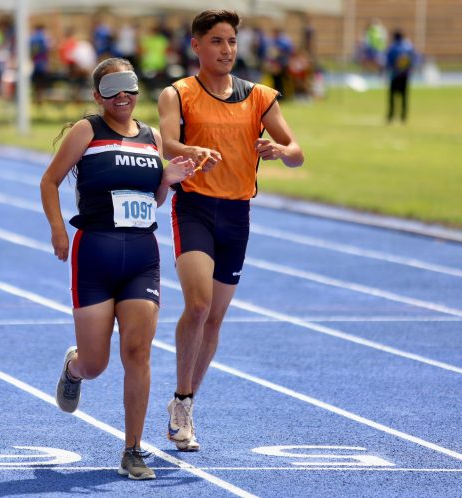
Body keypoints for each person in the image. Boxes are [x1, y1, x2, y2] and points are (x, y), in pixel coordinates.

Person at [40, 57, 194, 480]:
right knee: (96, 363)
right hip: (95, 254)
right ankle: (75, 368)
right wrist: (58, 229)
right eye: (111, 89)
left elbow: (156, 201)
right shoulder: (87, 131)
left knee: (138, 353)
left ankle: (132, 449)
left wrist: (168, 177)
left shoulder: (152, 138)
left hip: (142, 257)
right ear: (97, 96)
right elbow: (49, 181)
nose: (122, 95)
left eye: (128, 85)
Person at [157, 10, 304, 452]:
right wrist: (191, 148)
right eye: (217, 41)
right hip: (195, 208)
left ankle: (184, 402)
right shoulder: (177, 93)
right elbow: (166, 143)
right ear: (197, 46)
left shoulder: (260, 97)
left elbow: (297, 153)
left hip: (237, 214)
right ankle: (182, 403)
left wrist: (280, 150)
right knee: (199, 306)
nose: (226, 50)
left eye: (232, 41)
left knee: (216, 317)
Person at [385, 30, 416, 124]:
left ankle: (391, 116)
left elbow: (388, 61)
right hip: (405, 75)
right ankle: (403, 116)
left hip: (395, 75)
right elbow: (413, 60)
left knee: (392, 97)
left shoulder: (393, 47)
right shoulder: (409, 47)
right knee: (404, 96)